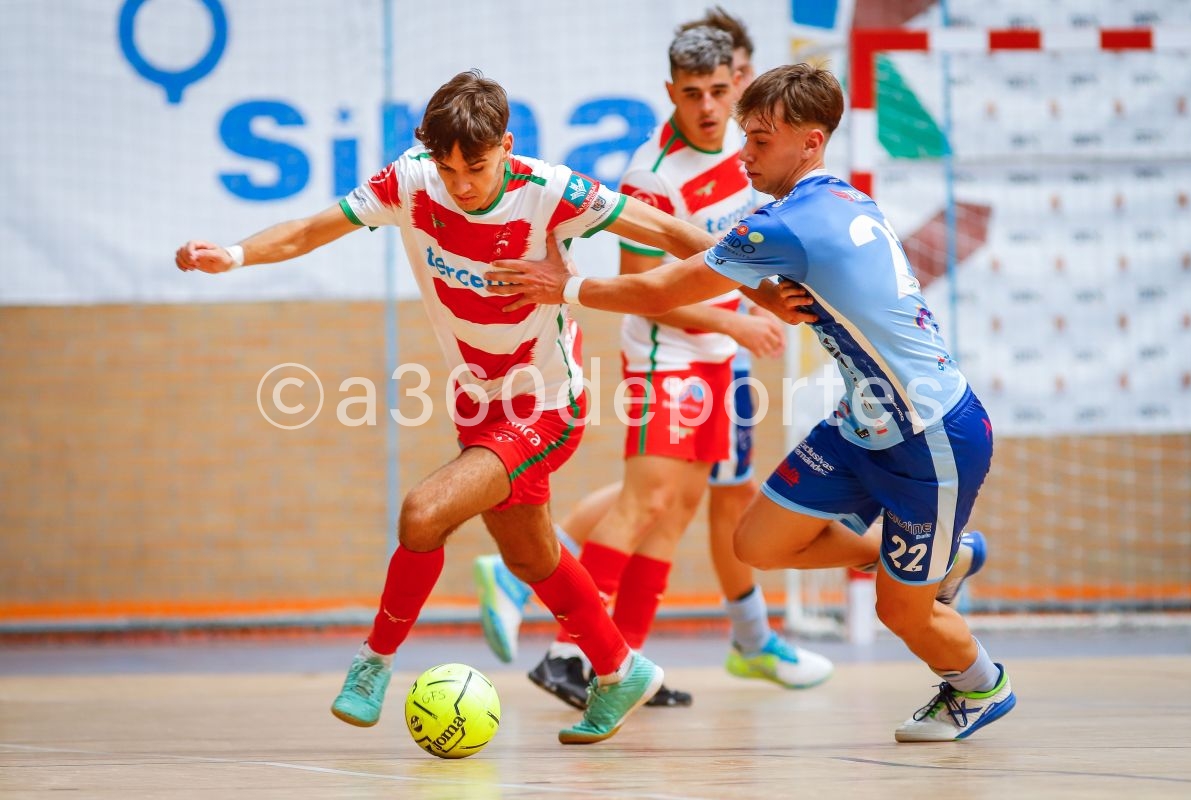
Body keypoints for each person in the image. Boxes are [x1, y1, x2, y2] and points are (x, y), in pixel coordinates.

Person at [173, 69, 731, 746]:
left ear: (506, 145)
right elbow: (308, 232)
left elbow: (667, 232)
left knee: (423, 510)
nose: (461, 183)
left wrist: (763, 267)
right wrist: (230, 255)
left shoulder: (547, 190)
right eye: (448, 167)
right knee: (531, 558)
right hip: (476, 402)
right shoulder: (409, 182)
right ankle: (619, 669)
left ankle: (372, 664)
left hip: (548, 403)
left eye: (477, 165)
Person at [484, 62, 1014, 743]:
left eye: (761, 141)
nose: (744, 154)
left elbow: (659, 289)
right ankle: (942, 556)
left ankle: (979, 686)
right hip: (864, 421)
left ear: (811, 143)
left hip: (932, 433)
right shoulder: (841, 201)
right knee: (756, 541)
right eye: (745, 137)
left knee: (900, 613)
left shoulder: (785, 224)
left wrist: (564, 286)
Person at [474, 18, 834, 711]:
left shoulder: (748, 146)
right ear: (670, 90)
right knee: (646, 502)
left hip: (720, 358)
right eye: (692, 92)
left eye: (720, 90)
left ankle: (624, 665)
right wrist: (734, 318)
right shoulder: (652, 174)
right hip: (667, 359)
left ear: (739, 84)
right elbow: (647, 294)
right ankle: (568, 654)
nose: (707, 106)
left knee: (675, 514)